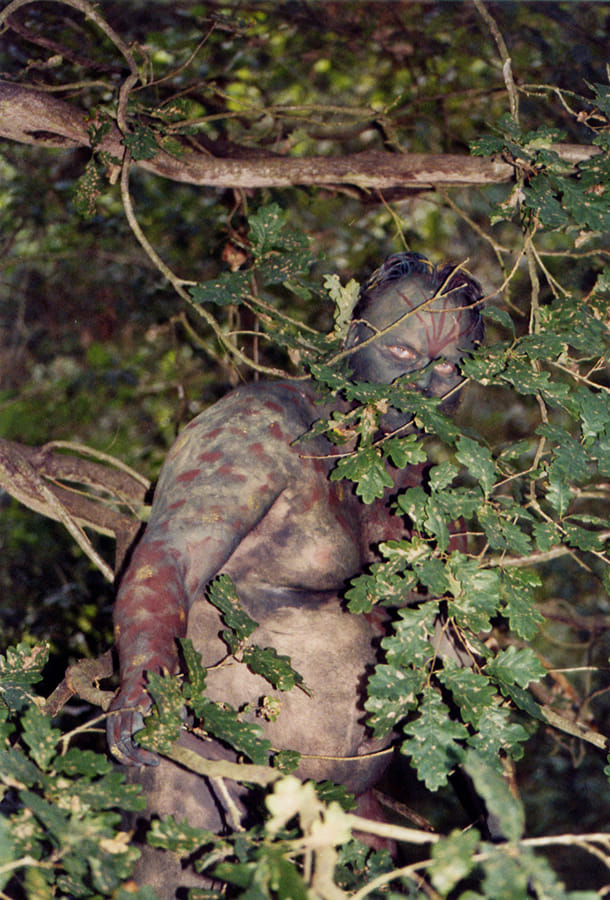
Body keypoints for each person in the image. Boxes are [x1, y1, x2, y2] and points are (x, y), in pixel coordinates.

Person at [107, 251, 484, 893]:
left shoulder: (428, 488)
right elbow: (168, 560)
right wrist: (145, 676)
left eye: (446, 365)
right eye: (400, 353)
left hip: (342, 811)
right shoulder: (267, 425)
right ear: (353, 337)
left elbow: (454, 653)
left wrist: (498, 802)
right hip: (208, 773)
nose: (421, 381)